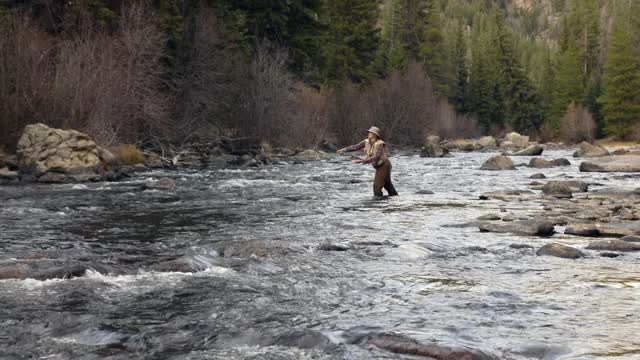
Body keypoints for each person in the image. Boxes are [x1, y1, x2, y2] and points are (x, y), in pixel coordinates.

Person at [337, 126, 398, 197]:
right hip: (379, 166)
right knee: (387, 185)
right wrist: (344, 149)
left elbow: (376, 156)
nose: (368, 133)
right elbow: (355, 147)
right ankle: (395, 198)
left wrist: (363, 161)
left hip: (384, 166)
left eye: (370, 132)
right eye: (369, 132)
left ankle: (379, 204)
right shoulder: (366, 141)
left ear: (375, 135)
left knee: (376, 187)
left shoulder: (380, 144)